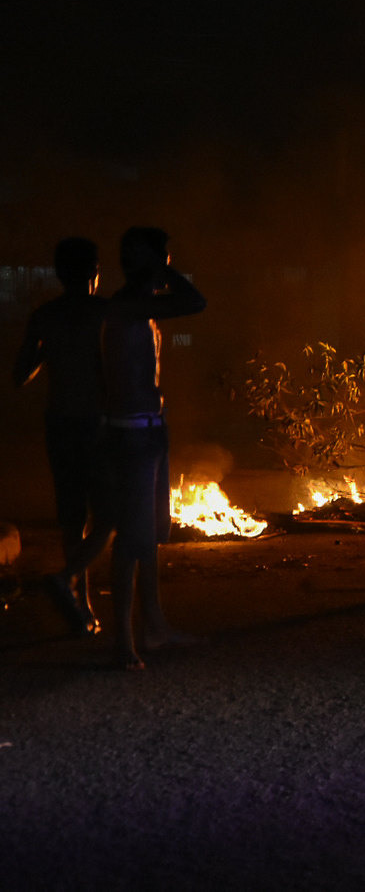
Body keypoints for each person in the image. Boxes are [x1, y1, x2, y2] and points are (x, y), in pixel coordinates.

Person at [100, 228, 206, 669]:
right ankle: (123, 642)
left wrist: (157, 265)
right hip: (131, 435)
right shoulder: (128, 305)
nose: (167, 266)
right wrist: (161, 269)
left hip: (150, 430)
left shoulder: (141, 309)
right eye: (162, 257)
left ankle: (154, 627)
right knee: (132, 540)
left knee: (149, 539)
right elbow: (195, 301)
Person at [14, 237, 113, 635]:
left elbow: (20, 375)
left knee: (72, 520)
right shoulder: (106, 312)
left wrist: (49, 352)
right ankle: (69, 580)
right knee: (109, 516)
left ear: (59, 273)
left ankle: (82, 608)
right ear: (94, 271)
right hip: (97, 424)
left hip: (60, 423)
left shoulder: (45, 315)